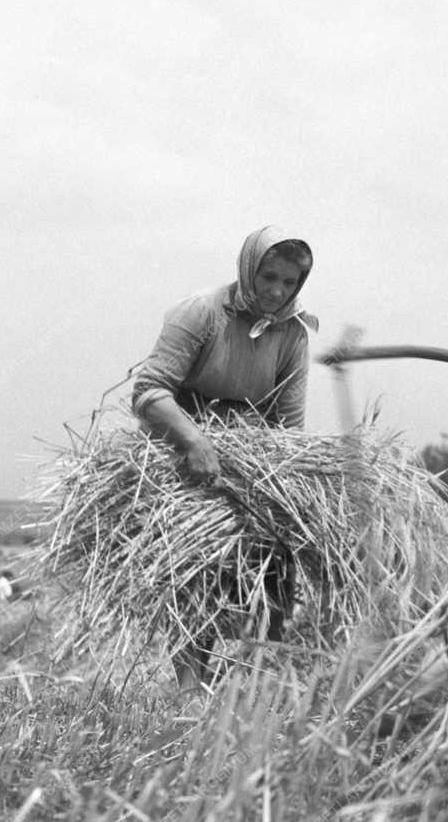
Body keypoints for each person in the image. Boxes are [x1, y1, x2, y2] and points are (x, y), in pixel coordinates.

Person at [131, 225, 317, 688]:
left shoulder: (293, 333)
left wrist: (280, 482)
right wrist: (195, 442)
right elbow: (149, 392)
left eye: (288, 282)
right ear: (247, 268)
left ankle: (241, 679)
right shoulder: (200, 312)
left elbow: (289, 426)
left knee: (264, 563)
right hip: (182, 444)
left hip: (250, 453)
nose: (276, 291)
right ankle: (190, 687)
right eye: (267, 277)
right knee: (193, 566)